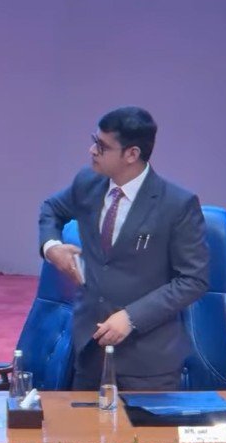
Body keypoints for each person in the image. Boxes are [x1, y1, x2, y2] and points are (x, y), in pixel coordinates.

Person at [40, 106, 209, 390]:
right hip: (89, 352)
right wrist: (52, 247)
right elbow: (51, 209)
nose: (92, 150)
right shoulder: (87, 183)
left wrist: (132, 317)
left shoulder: (176, 205)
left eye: (102, 146)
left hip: (148, 363)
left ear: (131, 154)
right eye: (94, 141)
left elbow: (193, 280)